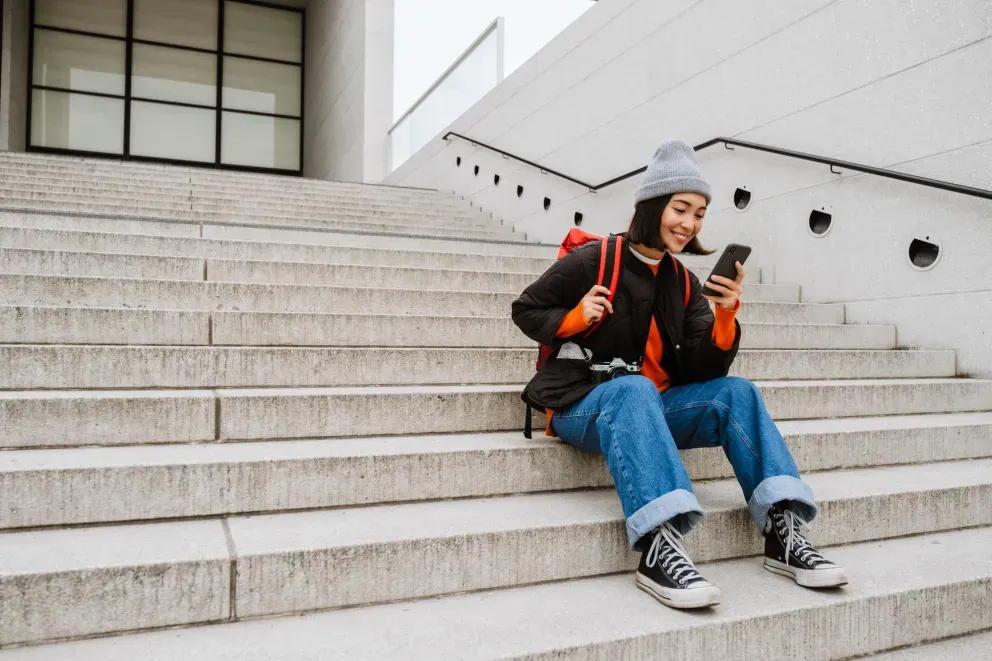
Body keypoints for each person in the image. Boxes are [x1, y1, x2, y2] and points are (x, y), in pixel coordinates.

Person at [511, 140, 848, 610]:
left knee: (737, 393)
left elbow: (700, 369)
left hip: (653, 407)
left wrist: (725, 316)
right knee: (632, 390)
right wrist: (572, 319)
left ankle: (784, 531)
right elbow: (525, 308)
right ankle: (658, 547)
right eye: (681, 208)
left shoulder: (684, 282)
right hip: (583, 405)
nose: (690, 223)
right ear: (653, 206)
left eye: (701, 213)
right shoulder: (593, 260)